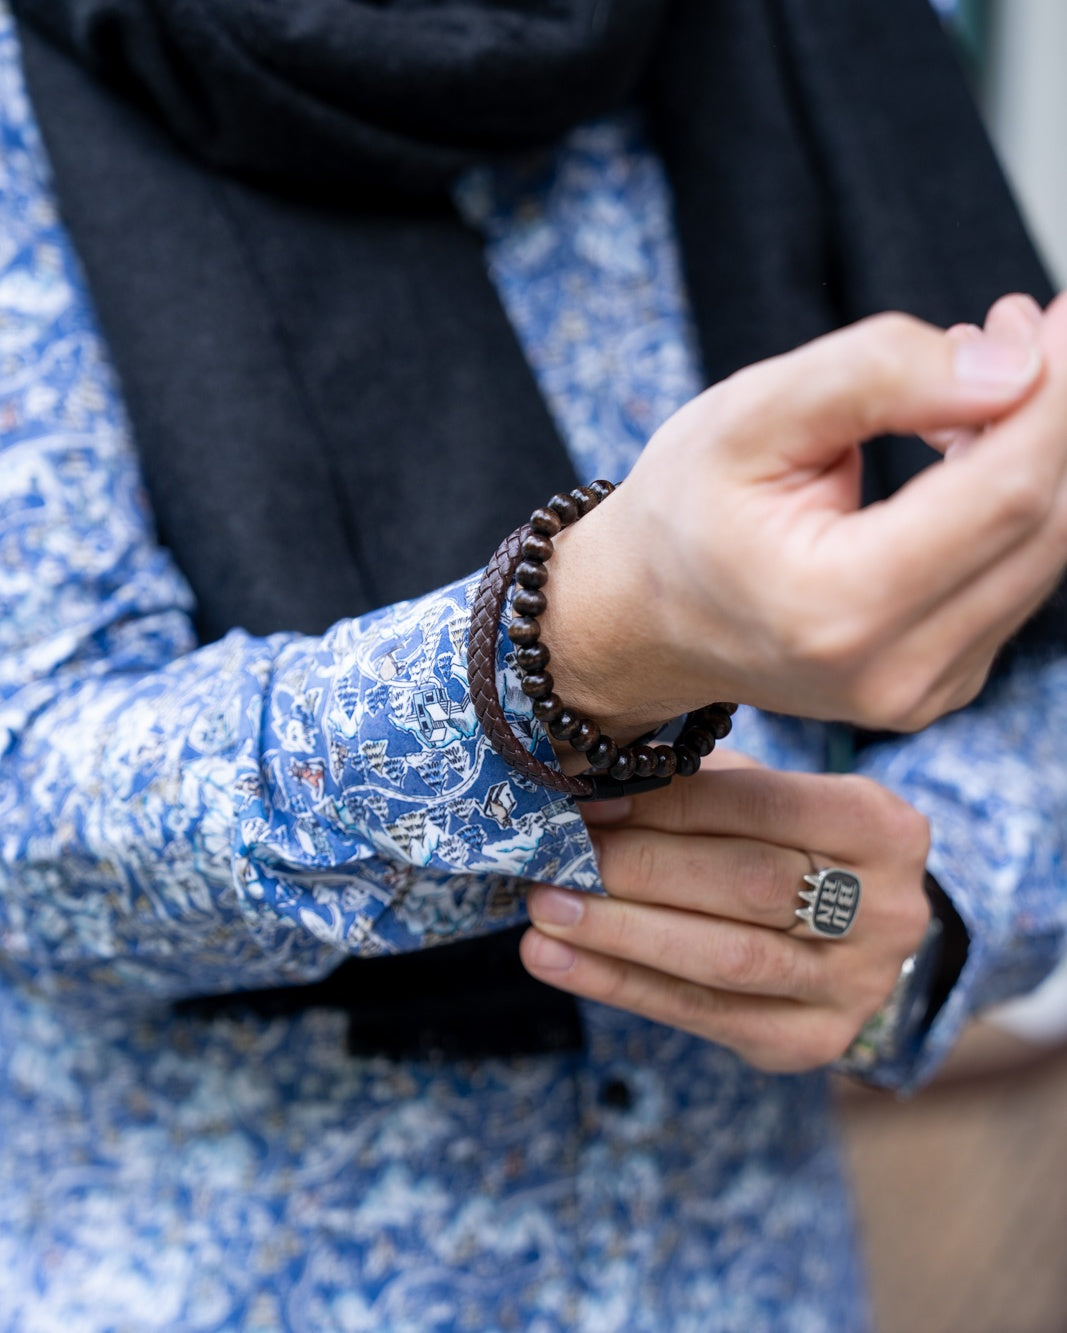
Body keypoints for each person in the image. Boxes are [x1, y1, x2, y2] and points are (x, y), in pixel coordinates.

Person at [2, 1, 1066, 1329]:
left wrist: (917, 926)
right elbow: (25, 804)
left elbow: (1047, 683)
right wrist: (571, 647)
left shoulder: (796, 27)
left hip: (745, 1275)